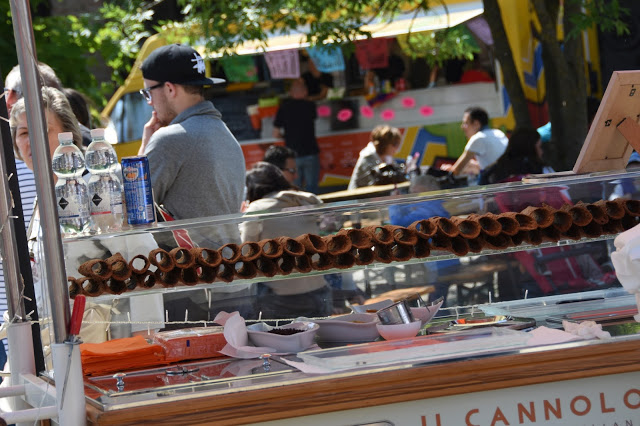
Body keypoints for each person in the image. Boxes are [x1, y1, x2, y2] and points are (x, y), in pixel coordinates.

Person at [9, 86, 164, 352]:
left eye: (42, 129)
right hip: (62, 346)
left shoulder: (97, 189)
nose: (31, 140)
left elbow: (142, 255)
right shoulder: (42, 198)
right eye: (23, 133)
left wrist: (144, 340)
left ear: (68, 134)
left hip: (111, 347)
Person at [138, 43, 246, 222]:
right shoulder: (225, 133)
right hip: (229, 249)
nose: (150, 102)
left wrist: (144, 147)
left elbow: (132, 206)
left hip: (191, 251)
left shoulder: (171, 139)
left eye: (148, 93)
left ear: (170, 89)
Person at [239, 162, 332, 318]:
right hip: (320, 291)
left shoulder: (257, 209)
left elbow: (245, 251)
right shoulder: (308, 200)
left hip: (281, 297)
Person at [272, 78, 320, 194]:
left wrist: (287, 136)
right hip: (311, 152)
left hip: (292, 155)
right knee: (312, 188)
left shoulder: (284, 107)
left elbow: (276, 133)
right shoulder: (310, 106)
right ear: (305, 92)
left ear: (291, 93)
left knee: (294, 189)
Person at [444, 106, 508, 177]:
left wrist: (447, 169)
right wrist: (475, 165)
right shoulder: (498, 133)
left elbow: (456, 171)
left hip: (498, 182)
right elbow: (495, 162)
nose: (462, 127)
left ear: (476, 124)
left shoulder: (477, 138)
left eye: (466, 123)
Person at [478, 127, 554, 185]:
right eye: (540, 147)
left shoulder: (491, 172)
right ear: (531, 150)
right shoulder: (542, 171)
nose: (542, 152)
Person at [348, 125, 402, 190]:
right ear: (385, 144)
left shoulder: (386, 157)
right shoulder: (368, 156)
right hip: (358, 198)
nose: (397, 149)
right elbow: (379, 181)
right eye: (395, 144)